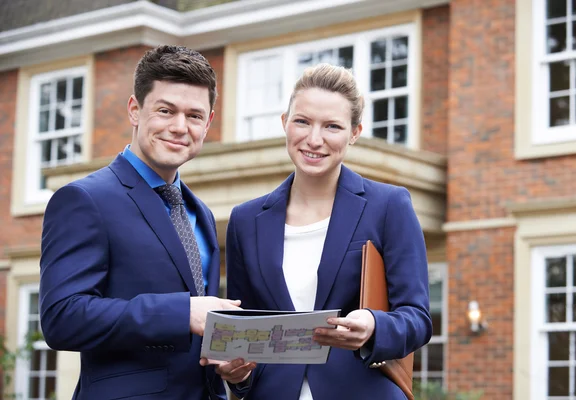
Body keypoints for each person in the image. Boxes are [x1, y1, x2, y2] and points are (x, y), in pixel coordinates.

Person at [211, 63, 432, 399]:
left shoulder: (389, 206)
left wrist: (374, 327)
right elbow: (247, 330)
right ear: (285, 123)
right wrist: (238, 376)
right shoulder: (245, 220)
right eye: (302, 121)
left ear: (355, 132)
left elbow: (417, 319)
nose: (314, 139)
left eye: (332, 126)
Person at [39, 45, 240, 400]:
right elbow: (62, 317)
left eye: (194, 116)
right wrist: (182, 313)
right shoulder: (84, 199)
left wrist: (230, 367)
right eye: (165, 111)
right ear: (135, 110)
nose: (179, 127)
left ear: (208, 122)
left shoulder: (202, 213)